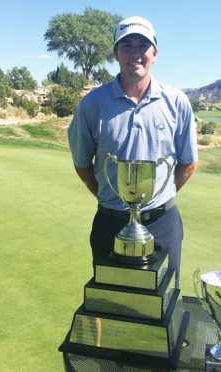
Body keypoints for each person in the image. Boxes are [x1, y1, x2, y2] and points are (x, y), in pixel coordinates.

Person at [68, 16, 198, 288]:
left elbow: (188, 164)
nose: (135, 53)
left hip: (163, 223)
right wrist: (115, 197)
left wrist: (157, 195)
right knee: (107, 304)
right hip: (111, 223)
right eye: (126, 45)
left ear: (155, 52)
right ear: (115, 53)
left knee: (165, 307)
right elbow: (82, 164)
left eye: (143, 45)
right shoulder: (92, 104)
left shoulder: (176, 101)